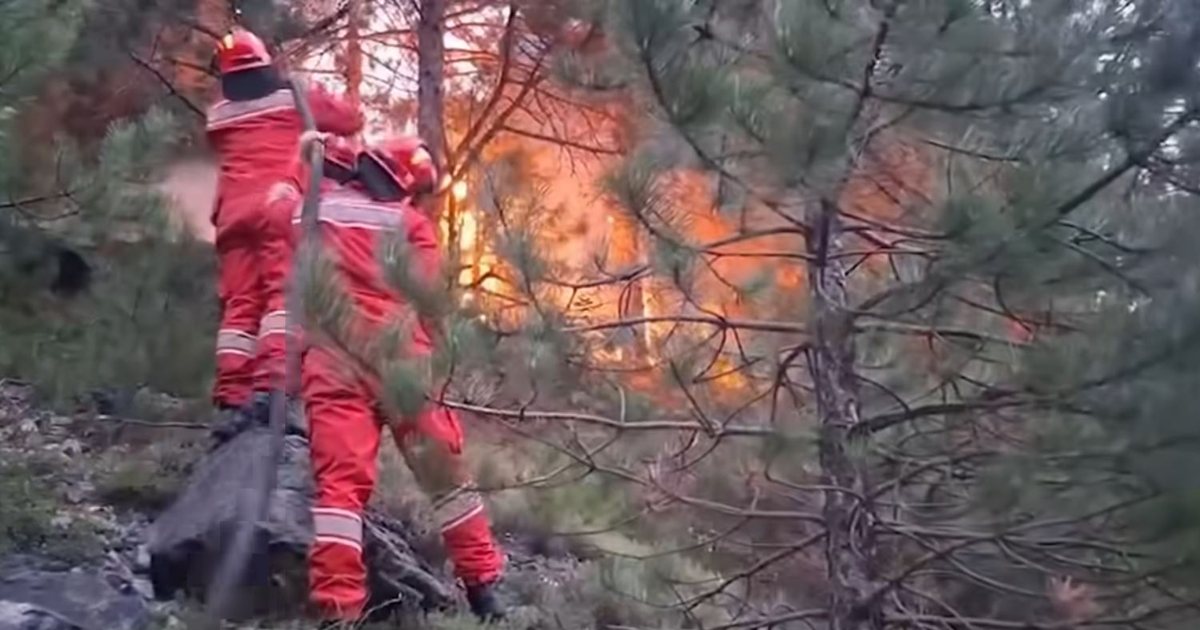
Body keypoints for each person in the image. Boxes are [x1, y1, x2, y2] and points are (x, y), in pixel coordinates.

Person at [295, 136, 506, 623]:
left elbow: (276, 220)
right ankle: (485, 594)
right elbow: (430, 302)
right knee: (448, 482)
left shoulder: (317, 205)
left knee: (338, 496)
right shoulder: (412, 224)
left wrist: (307, 154)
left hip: (334, 364)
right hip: (405, 365)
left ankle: (338, 612)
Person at [206, 27, 364, 428]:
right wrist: (309, 89)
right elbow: (350, 120)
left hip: (232, 218)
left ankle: (231, 399)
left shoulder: (218, 114)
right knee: (281, 297)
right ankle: (273, 392)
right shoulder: (293, 98)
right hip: (279, 207)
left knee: (240, 307)